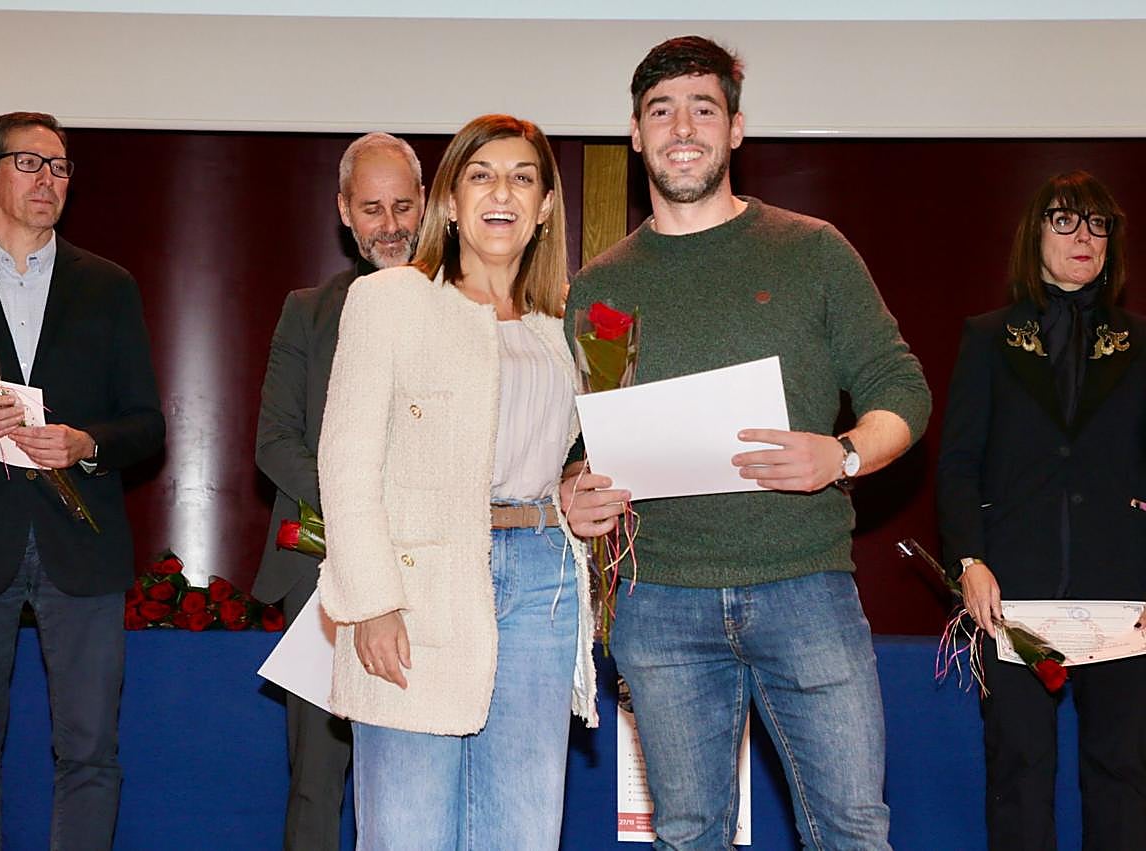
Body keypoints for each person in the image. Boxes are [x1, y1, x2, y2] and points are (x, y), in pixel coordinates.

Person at [563, 37, 930, 850]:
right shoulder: (596, 289)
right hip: (658, 602)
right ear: (635, 133)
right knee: (688, 834)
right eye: (662, 110)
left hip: (806, 589)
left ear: (735, 130)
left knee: (853, 829)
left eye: (704, 107)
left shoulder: (813, 251)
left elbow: (901, 391)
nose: (682, 126)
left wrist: (842, 454)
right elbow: (577, 439)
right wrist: (573, 490)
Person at [316, 113, 597, 849]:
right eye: (481, 174)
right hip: (416, 586)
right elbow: (345, 461)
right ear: (449, 199)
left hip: (544, 582)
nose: (502, 191)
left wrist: (575, 481)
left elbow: (559, 448)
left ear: (543, 208)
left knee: (523, 829)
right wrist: (371, 600)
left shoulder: (562, 324)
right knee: (408, 830)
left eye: (523, 177)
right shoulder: (391, 300)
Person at [0, 111, 165, 851]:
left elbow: (147, 423)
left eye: (61, 166)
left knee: (90, 753)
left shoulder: (108, 285)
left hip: (82, 543)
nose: (49, 179)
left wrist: (86, 443)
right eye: (30, 163)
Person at [937, 171, 1146, 850]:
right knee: (1020, 770)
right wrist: (970, 560)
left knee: (1124, 772)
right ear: (1036, 235)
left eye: (1098, 224)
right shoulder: (987, 337)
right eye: (1065, 221)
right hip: (1014, 594)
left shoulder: (1142, 342)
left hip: (1123, 589)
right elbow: (958, 462)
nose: (1083, 236)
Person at [254, 131, 424, 851]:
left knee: (419, 773)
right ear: (345, 215)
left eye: (404, 206)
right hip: (322, 569)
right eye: (372, 208)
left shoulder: (462, 309)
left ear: (429, 208)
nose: (390, 225)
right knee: (316, 780)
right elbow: (273, 443)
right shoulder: (307, 310)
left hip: (430, 571)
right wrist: (361, 515)